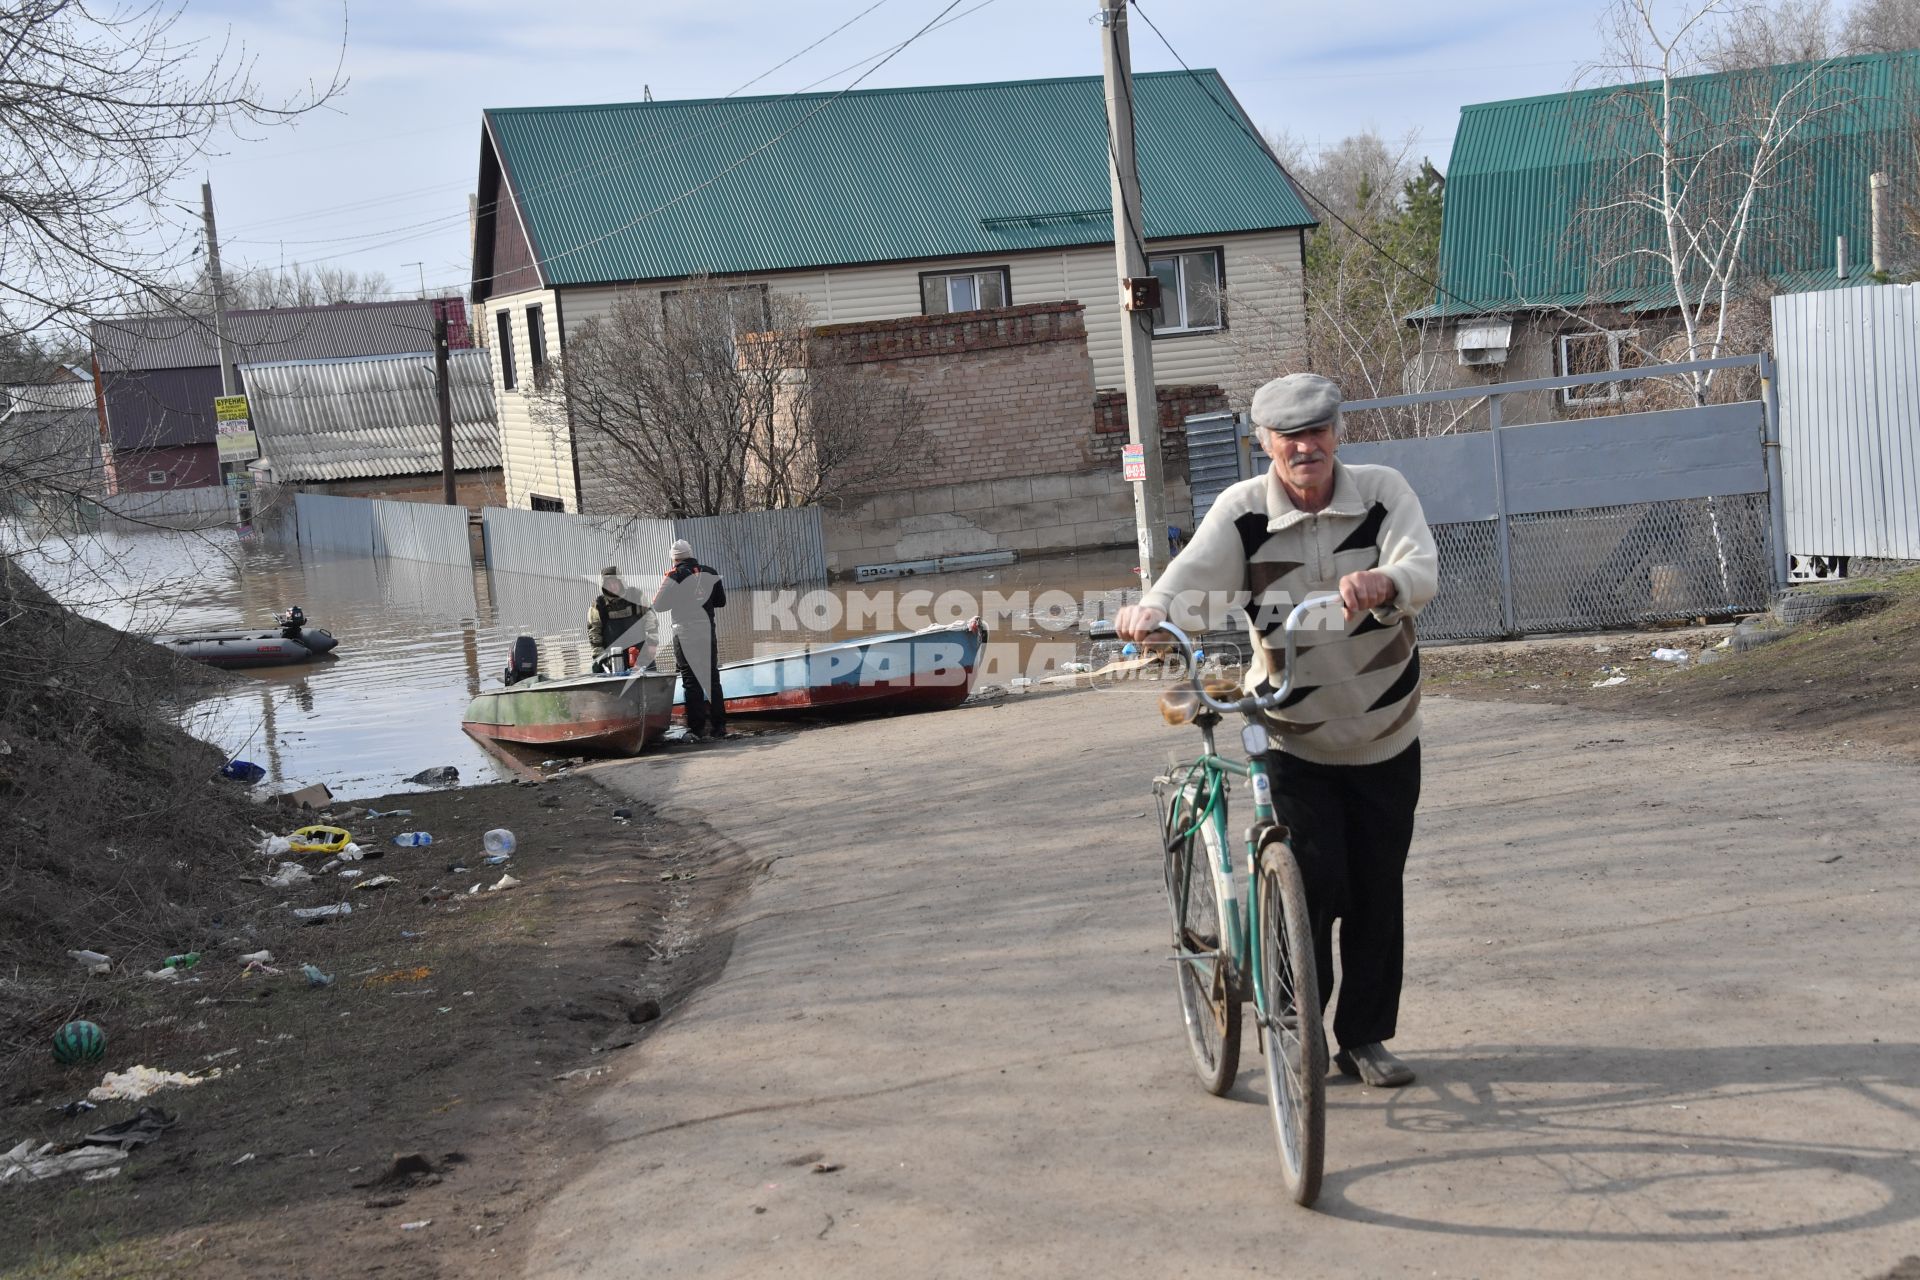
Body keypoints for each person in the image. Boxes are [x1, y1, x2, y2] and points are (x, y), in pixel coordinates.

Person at [1115, 372, 1438, 1088]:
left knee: (1378, 891)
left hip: (1387, 727)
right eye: (1288, 437)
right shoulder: (1242, 515)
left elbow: (1422, 564)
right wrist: (1153, 611)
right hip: (1292, 735)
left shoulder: (1383, 493)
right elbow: (1191, 581)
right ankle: (1296, 1029)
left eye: (1316, 432)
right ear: (1263, 443)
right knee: (1308, 888)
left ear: (1335, 434)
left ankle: (1364, 1039)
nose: (1305, 447)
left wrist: (1387, 583)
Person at [653, 540, 729, 740]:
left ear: (674, 558)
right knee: (712, 679)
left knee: (691, 681)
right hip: (706, 631)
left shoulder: (673, 575)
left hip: (684, 632)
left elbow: (659, 606)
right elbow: (721, 601)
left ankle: (697, 729)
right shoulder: (710, 572)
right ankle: (719, 727)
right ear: (690, 554)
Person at [586, 565, 657, 674]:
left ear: (621, 582)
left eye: (614, 582)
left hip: (639, 653)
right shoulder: (598, 605)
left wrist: (652, 644)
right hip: (613, 657)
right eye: (608, 584)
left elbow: (651, 619)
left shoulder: (636, 596)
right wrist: (599, 656)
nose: (612, 586)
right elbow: (594, 632)